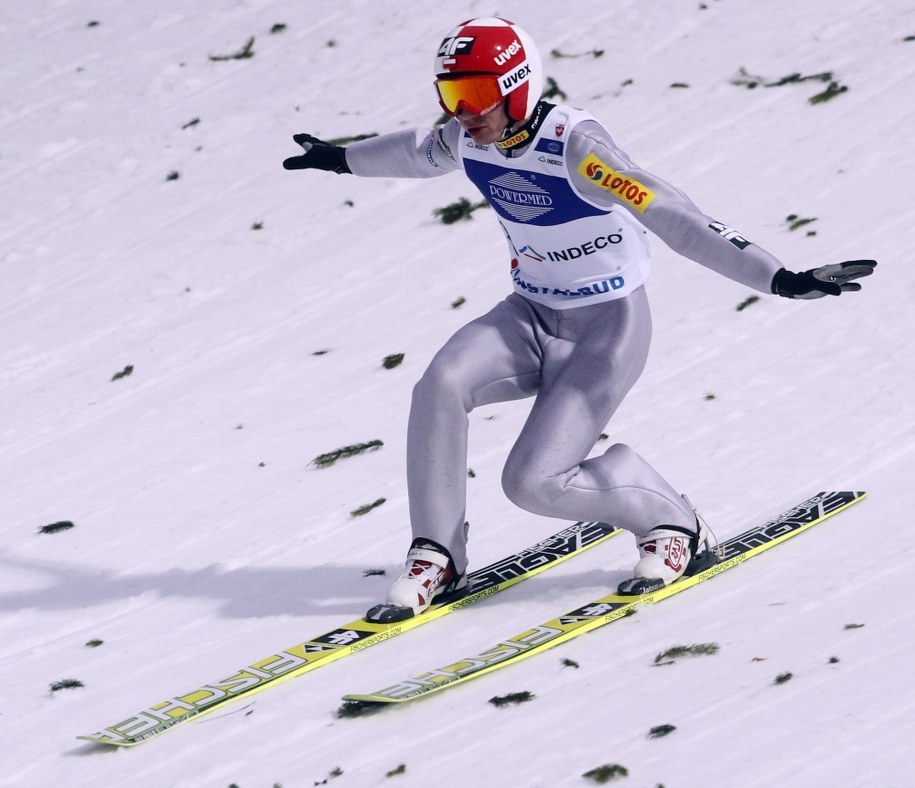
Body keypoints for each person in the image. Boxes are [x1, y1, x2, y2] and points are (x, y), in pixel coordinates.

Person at [283, 17, 876, 622]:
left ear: (517, 88)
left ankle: (669, 518)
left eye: (478, 94)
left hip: (607, 331)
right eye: (452, 95)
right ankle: (437, 553)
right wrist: (341, 158)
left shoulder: (578, 149)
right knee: (439, 384)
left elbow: (674, 217)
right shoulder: (469, 139)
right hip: (529, 316)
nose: (465, 112)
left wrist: (778, 277)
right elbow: (417, 150)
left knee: (532, 484)